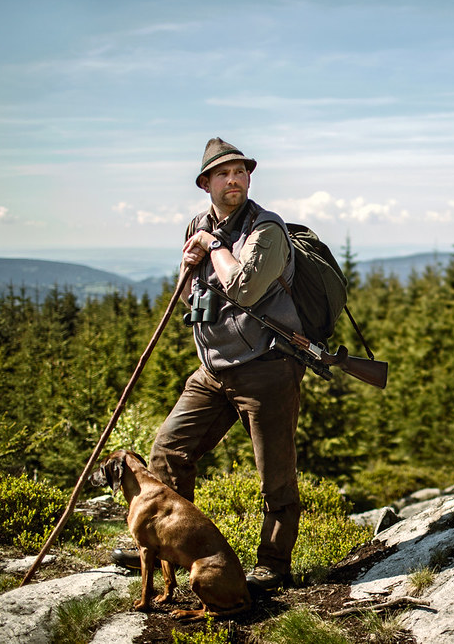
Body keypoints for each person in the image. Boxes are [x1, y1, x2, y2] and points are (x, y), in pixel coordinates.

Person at [113, 137, 306, 592]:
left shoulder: (267, 231)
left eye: (240, 171)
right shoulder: (198, 224)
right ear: (206, 183)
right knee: (167, 448)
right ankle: (173, 545)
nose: (234, 179)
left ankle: (274, 567)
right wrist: (187, 262)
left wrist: (212, 244)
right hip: (215, 369)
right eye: (223, 173)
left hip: (267, 366)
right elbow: (192, 297)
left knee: (274, 474)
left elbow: (242, 289)